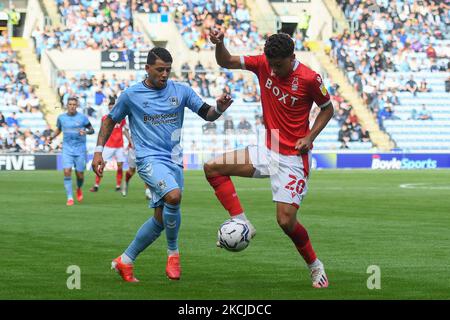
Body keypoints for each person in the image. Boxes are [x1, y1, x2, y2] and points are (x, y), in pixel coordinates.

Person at [204, 31, 334, 288]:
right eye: (271, 64)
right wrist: (220, 43)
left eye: (279, 65)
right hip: (268, 147)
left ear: (292, 58)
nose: (273, 70)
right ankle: (241, 221)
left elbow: (328, 108)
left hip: (293, 158)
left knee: (285, 221)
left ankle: (315, 266)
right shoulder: (263, 63)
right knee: (212, 168)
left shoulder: (310, 78)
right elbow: (225, 61)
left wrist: (310, 136)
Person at [91, 47, 233, 282]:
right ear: (147, 69)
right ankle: (173, 255)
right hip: (147, 159)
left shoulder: (181, 91)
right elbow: (109, 120)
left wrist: (218, 107)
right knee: (174, 197)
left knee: (160, 220)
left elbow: (207, 114)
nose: (165, 74)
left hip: (174, 161)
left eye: (168, 70)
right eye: (160, 70)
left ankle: (125, 261)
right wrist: (98, 153)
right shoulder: (131, 95)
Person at [50, 97, 95, 206]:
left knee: (80, 174)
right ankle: (70, 197)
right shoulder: (61, 118)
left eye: (74, 104)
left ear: (77, 106)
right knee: (66, 171)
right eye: (70, 104)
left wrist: (85, 131)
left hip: (80, 149)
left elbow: (92, 130)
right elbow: (59, 129)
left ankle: (79, 188)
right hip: (67, 149)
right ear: (67, 105)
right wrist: (51, 137)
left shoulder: (83, 118)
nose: (72, 106)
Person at [90, 100, 127, 193]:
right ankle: (96, 185)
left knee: (120, 166)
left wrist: (130, 141)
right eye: (110, 107)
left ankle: (118, 186)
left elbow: (124, 130)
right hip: (109, 145)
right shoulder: (105, 118)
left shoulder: (121, 118)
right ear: (108, 107)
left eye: (113, 107)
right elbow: (102, 131)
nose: (111, 108)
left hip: (119, 145)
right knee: (102, 164)